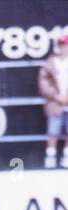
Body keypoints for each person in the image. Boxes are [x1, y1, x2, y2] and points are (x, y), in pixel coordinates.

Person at [38, 32, 68, 169]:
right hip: (55, 103)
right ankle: (50, 156)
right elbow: (43, 82)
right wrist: (56, 96)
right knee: (53, 131)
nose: (64, 48)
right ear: (58, 47)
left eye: (66, 46)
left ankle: (66, 156)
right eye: (62, 46)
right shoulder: (50, 63)